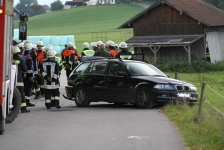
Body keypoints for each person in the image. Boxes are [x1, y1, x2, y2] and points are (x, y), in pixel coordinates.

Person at [12, 47, 30, 113]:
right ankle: (23, 108)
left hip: (12, 81)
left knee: (13, 95)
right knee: (22, 94)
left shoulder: (10, 60)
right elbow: (25, 69)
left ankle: (14, 108)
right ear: (19, 53)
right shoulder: (21, 60)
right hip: (19, 80)